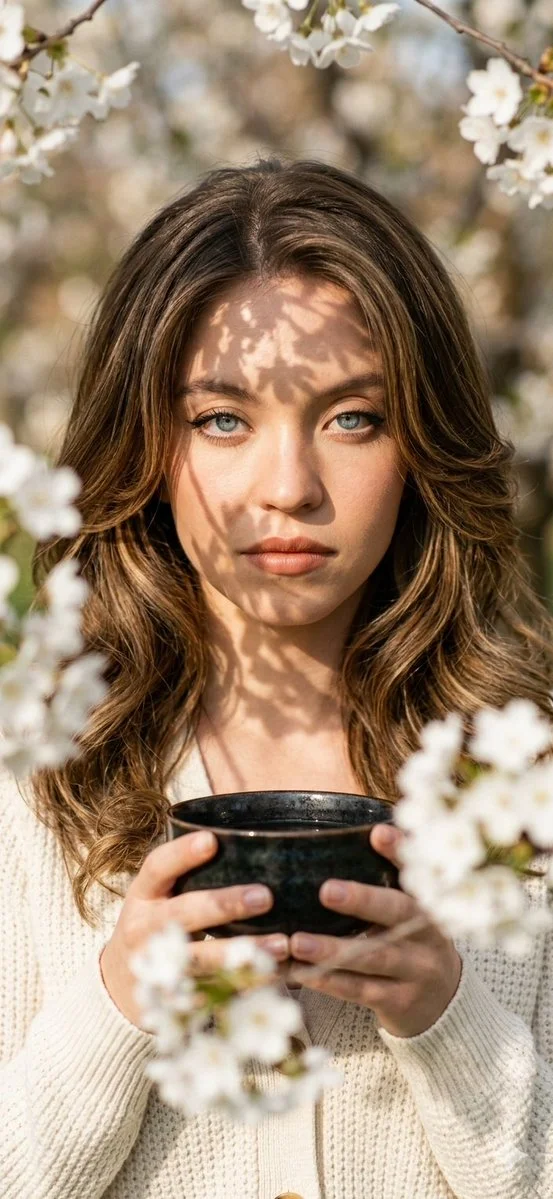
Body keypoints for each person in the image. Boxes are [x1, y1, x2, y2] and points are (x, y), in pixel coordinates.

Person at [1, 157, 553, 1199]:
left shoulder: (522, 791)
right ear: (147, 442)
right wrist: (117, 1005)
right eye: (223, 419)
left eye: (353, 418)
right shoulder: (36, 775)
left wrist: (448, 1016)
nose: (289, 487)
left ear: (421, 443)